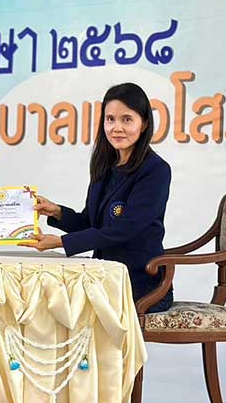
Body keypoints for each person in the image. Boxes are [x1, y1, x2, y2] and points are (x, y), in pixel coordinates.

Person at [28, 82, 173, 314]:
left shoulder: (155, 170)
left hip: (140, 285)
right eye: (110, 119)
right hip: (103, 277)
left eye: (127, 119)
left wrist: (61, 243)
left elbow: (123, 230)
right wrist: (57, 212)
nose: (117, 128)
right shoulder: (105, 166)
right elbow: (91, 223)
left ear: (144, 123)